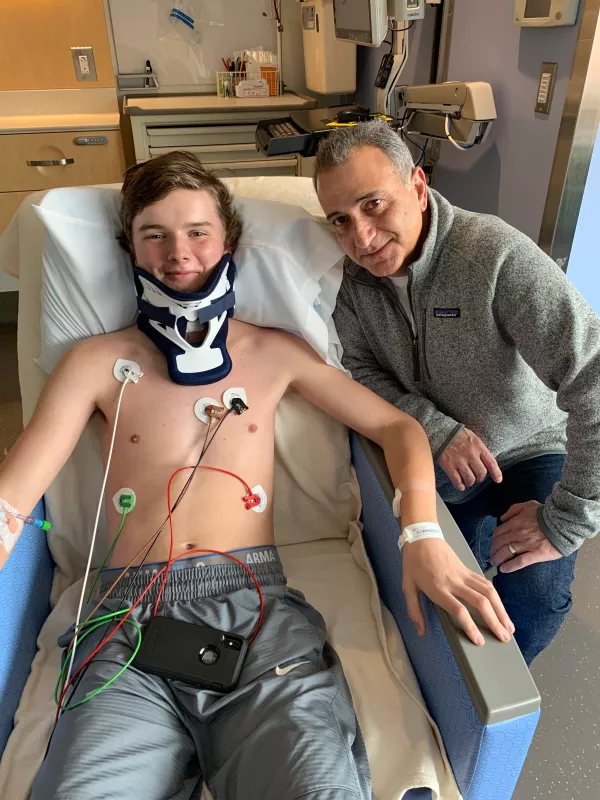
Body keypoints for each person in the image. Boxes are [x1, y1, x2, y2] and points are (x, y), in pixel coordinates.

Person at [0, 151, 512, 800]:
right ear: (128, 249)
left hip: (255, 611)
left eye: (197, 232)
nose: (177, 253)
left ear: (230, 242)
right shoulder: (96, 363)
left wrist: (421, 536)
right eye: (152, 235)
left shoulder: (273, 355)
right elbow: (10, 502)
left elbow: (399, 430)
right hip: (124, 616)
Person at [314, 119, 600, 666]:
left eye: (374, 206)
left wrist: (566, 519)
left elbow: (595, 376)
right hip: (431, 448)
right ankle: (442, 690)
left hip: (531, 446)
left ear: (418, 186)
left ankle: (494, 715)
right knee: (413, 580)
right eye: (341, 221)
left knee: (534, 600)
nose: (362, 239)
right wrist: (437, 429)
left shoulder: (493, 257)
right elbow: (361, 369)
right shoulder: (349, 283)